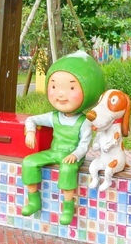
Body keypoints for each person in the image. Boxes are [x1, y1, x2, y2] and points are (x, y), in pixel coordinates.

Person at [20, 51, 105, 225]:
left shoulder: (84, 122)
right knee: (29, 161)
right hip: (54, 152)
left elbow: (84, 144)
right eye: (54, 87)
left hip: (72, 155)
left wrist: (76, 155)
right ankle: (34, 200)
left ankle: (68, 206)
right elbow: (32, 119)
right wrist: (30, 131)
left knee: (67, 168)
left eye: (71, 88)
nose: (60, 94)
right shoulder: (54, 116)